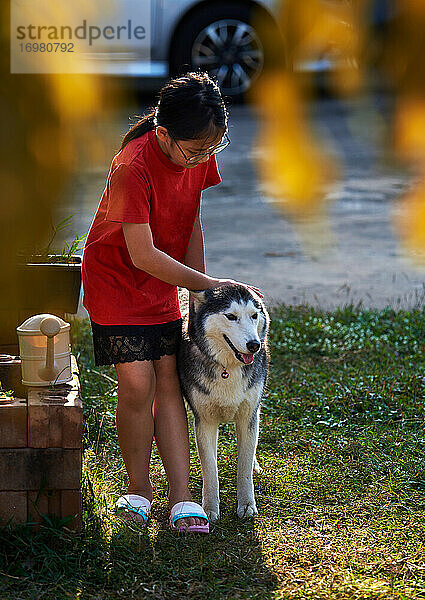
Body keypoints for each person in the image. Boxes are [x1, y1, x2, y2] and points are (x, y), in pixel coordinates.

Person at [81, 71, 262, 534]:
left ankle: (182, 499)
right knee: (138, 385)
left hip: (162, 277)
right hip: (118, 282)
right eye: (197, 150)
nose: (203, 158)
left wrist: (199, 296)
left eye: (211, 150)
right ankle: (138, 490)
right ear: (163, 134)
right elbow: (140, 254)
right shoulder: (132, 167)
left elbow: (190, 219)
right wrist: (208, 282)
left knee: (168, 379)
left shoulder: (196, 149)